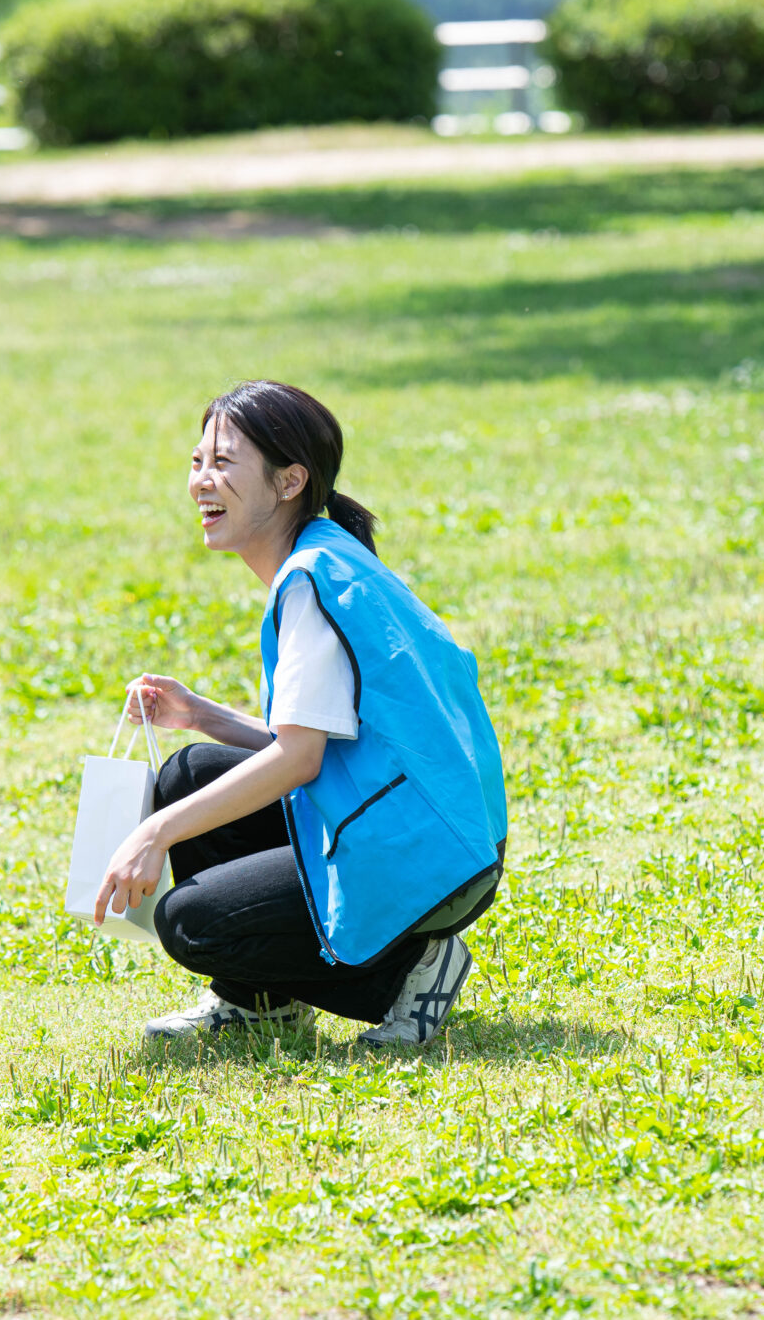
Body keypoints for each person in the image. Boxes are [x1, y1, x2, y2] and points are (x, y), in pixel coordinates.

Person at [92, 381, 508, 1047]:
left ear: (288, 481)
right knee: (193, 771)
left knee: (192, 921)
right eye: (197, 461)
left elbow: (299, 760)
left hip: (432, 859)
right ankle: (262, 1002)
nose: (201, 481)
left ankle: (407, 973)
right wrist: (199, 715)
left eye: (223, 463)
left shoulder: (310, 582)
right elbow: (324, 742)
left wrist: (154, 834)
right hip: (436, 831)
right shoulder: (327, 556)